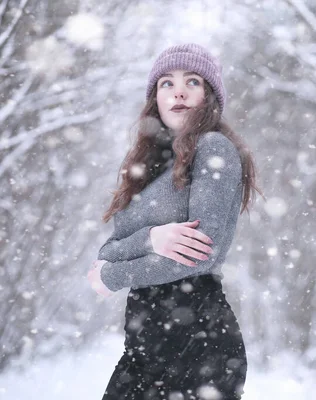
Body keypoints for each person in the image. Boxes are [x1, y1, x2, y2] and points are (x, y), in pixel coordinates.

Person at [87, 43, 263, 400]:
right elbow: (111, 247)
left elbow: (202, 254)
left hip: (198, 344)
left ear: (210, 95)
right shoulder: (149, 164)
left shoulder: (213, 148)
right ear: (156, 98)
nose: (179, 90)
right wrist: (152, 238)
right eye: (166, 83)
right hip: (145, 348)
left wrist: (113, 276)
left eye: (192, 81)